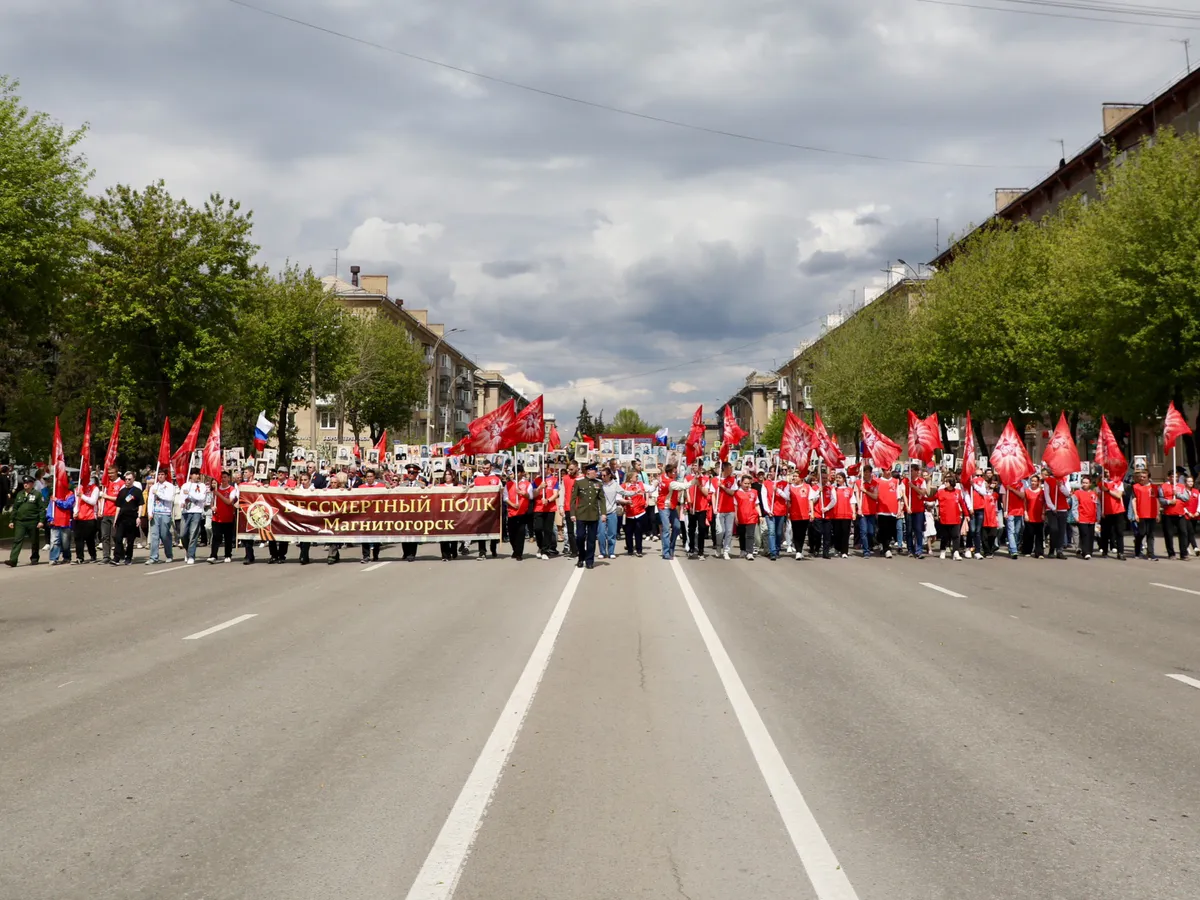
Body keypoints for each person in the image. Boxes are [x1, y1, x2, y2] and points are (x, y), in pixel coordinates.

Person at [571, 461, 606, 569]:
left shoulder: (599, 483)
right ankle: (581, 557)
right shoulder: (579, 482)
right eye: (595, 471)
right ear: (588, 472)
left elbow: (602, 499)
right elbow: (573, 499)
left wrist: (603, 513)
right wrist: (572, 514)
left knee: (591, 539)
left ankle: (589, 560)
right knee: (580, 537)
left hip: (593, 515)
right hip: (581, 514)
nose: (596, 473)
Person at [6, 475, 46, 567]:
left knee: (34, 541)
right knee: (17, 540)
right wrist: (11, 520)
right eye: (24, 483)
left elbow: (42, 509)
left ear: (32, 484)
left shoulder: (37, 494)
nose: (25, 484)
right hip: (20, 522)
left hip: (33, 521)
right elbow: (15, 508)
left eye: (27, 483)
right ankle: (13, 560)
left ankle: (34, 558)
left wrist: (41, 521)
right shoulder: (20, 494)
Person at [145, 468, 176, 565]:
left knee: (165, 535)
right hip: (155, 513)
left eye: (162, 474)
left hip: (165, 513)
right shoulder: (154, 487)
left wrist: (158, 493)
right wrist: (150, 512)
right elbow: (150, 500)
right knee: (154, 536)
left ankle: (169, 555)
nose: (160, 476)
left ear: (165, 475)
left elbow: (170, 498)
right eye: (159, 475)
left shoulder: (170, 486)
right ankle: (153, 557)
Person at [111, 477, 144, 565]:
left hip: (132, 518)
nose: (127, 481)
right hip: (122, 518)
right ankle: (116, 558)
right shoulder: (122, 491)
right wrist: (115, 519)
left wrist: (139, 517)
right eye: (126, 479)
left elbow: (140, 505)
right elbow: (118, 506)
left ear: (133, 480)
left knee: (130, 540)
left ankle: (128, 557)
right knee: (118, 537)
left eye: (129, 479)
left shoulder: (137, 491)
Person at [208, 470, 239, 563]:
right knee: (216, 537)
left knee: (228, 537)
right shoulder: (216, 488)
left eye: (225, 477)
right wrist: (212, 507)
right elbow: (212, 501)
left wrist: (219, 494)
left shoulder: (232, 489)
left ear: (229, 478)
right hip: (217, 517)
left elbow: (229, 502)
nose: (223, 479)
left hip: (228, 518)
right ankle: (213, 555)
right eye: (221, 477)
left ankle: (228, 555)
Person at [179, 468, 209, 565]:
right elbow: (181, 498)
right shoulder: (185, 486)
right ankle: (188, 551)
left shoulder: (202, 486)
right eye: (195, 474)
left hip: (196, 511)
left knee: (193, 534)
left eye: (198, 474)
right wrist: (182, 503)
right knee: (183, 534)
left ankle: (191, 555)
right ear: (191, 475)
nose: (197, 476)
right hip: (186, 512)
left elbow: (201, 498)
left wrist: (190, 493)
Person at [473, 460, 502, 559]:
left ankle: (493, 548)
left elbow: (501, 491)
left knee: (493, 529)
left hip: (493, 509)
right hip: (481, 509)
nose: (485, 470)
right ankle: (482, 551)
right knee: (481, 530)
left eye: (487, 468)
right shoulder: (477, 479)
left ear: (491, 468)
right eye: (484, 468)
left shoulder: (496, 479)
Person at [1159, 472, 1190, 560]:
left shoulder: (1182, 486)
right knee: (1169, 534)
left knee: (1183, 533)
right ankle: (1171, 553)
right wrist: (1169, 502)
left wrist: (1177, 494)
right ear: (1168, 477)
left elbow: (1186, 498)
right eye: (1172, 476)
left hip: (1180, 514)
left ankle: (1183, 554)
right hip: (1168, 514)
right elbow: (1161, 499)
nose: (1175, 478)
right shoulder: (1163, 486)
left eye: (1176, 477)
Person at [506, 465, 534, 561]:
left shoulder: (527, 484)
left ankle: (519, 553)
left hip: (522, 512)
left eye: (518, 472)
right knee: (512, 534)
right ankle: (515, 549)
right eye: (515, 472)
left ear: (522, 473)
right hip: (511, 512)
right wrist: (513, 505)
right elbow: (505, 497)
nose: (516, 474)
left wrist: (523, 493)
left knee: (521, 533)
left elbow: (531, 496)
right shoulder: (509, 484)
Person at [685, 462, 712, 560]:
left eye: (695, 465)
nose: (693, 467)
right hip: (692, 507)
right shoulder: (688, 478)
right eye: (692, 465)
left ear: (700, 467)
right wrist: (689, 502)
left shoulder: (706, 479)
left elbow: (706, 493)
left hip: (702, 508)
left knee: (701, 528)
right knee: (691, 529)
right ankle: (691, 548)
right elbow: (686, 490)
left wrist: (699, 485)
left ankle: (701, 551)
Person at [903, 462, 930, 560]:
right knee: (909, 530)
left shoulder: (921, 481)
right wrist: (907, 507)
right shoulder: (905, 481)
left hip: (919, 510)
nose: (917, 472)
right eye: (914, 470)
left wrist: (913, 487)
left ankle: (919, 550)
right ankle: (910, 549)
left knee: (918, 530)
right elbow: (904, 495)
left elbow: (923, 492)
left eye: (916, 470)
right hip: (909, 509)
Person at [1099, 470, 1127, 560]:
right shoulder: (1101, 484)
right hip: (1106, 511)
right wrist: (1100, 511)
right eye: (1106, 472)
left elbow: (1118, 495)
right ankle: (1104, 551)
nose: (1107, 474)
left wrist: (1108, 490)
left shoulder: (1119, 483)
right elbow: (1098, 498)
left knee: (1119, 532)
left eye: (1109, 472)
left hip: (1118, 511)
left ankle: (1120, 552)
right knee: (1105, 532)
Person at [1131, 470, 1158, 560]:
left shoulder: (1154, 487)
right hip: (1141, 514)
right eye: (1140, 477)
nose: (1141, 478)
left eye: (1144, 477)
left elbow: (1157, 500)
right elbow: (1134, 500)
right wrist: (1135, 513)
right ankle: (1137, 551)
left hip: (1152, 514)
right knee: (1142, 533)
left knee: (1150, 534)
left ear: (1148, 478)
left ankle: (1151, 554)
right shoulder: (1136, 487)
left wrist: (1158, 513)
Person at [533, 468, 559, 560]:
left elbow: (556, 494)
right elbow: (533, 494)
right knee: (537, 528)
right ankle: (540, 546)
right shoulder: (536, 480)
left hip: (550, 508)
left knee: (548, 530)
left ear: (548, 469)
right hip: (538, 508)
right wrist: (540, 487)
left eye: (544, 468)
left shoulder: (554, 480)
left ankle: (545, 550)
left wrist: (548, 500)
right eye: (541, 468)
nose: (542, 470)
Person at [935, 476, 964, 560]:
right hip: (944, 517)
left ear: (951, 483)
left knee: (956, 535)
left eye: (946, 482)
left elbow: (962, 503)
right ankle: (943, 550)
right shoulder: (941, 491)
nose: (945, 483)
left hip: (955, 517)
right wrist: (922, 498)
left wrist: (966, 515)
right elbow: (932, 498)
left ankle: (955, 552)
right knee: (945, 536)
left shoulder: (958, 492)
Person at [73, 475, 100, 564]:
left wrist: (82, 496)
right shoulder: (78, 488)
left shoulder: (94, 488)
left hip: (90, 517)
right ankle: (79, 557)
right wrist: (75, 512)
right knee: (78, 538)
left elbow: (93, 501)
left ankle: (93, 556)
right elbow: (76, 502)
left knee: (90, 538)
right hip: (79, 517)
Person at [620, 471, 647, 558]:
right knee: (628, 532)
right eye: (636, 476)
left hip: (640, 512)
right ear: (631, 478)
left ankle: (639, 550)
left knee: (638, 532)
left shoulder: (640, 484)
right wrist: (624, 502)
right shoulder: (624, 486)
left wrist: (655, 484)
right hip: (629, 513)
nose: (637, 478)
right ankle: (630, 549)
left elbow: (649, 489)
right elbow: (618, 496)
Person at [99, 467, 123, 564]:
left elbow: (120, 498)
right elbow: (102, 498)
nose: (110, 475)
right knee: (105, 536)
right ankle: (106, 556)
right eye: (109, 473)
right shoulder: (106, 483)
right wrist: (100, 509)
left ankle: (120, 553)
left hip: (115, 513)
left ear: (116, 472)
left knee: (115, 536)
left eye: (112, 473)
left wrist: (107, 496)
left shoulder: (121, 483)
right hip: (106, 513)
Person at [734, 474, 760, 559]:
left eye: (748, 483)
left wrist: (760, 515)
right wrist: (736, 517)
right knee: (742, 534)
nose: (747, 485)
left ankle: (749, 552)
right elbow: (735, 506)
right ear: (741, 483)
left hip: (752, 516)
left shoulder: (754, 492)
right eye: (745, 483)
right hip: (741, 517)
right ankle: (743, 550)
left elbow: (757, 504)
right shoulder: (737, 493)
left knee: (750, 535)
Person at [598, 468, 621, 559]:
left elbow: (624, 492)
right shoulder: (599, 484)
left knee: (612, 533)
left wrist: (635, 493)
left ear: (609, 475)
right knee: (601, 533)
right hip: (601, 512)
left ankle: (611, 551)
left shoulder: (615, 484)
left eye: (604, 475)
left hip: (612, 512)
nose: (602, 477)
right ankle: (602, 552)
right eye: (601, 475)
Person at [1075, 474, 1098, 559]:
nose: (1084, 484)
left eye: (1086, 483)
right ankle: (1085, 552)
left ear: (1090, 484)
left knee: (1090, 535)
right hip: (1082, 517)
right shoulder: (1077, 493)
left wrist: (1098, 516)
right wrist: (1076, 516)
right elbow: (1074, 505)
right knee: (1084, 534)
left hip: (1092, 518)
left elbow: (1097, 505)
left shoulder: (1093, 493)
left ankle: (1089, 551)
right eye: (1083, 482)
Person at [1024, 474, 1045, 558]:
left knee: (1039, 535)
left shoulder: (1042, 492)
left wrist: (1043, 513)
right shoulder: (1027, 491)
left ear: (1038, 482)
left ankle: (1039, 552)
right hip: (1030, 516)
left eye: (1035, 481)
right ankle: (1027, 550)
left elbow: (1044, 504)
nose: (1033, 483)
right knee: (1029, 534)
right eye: (1032, 481)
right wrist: (1025, 513)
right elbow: (1025, 503)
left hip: (1039, 516)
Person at [561, 461, 578, 558]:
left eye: (571, 469)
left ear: (576, 468)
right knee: (570, 531)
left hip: (580, 507)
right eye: (569, 469)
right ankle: (574, 551)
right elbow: (562, 492)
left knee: (579, 531)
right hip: (568, 507)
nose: (570, 471)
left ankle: (580, 548)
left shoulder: (581, 478)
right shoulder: (565, 478)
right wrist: (561, 506)